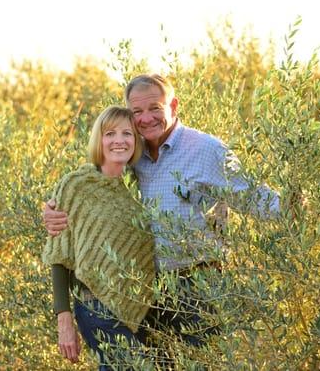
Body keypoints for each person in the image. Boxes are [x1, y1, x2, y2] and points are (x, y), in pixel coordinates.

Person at [44, 74, 282, 365]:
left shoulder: (207, 150)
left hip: (198, 289)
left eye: (155, 108)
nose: (146, 119)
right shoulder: (132, 158)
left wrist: (300, 207)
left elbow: (253, 197)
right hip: (146, 296)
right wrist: (54, 211)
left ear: (174, 105)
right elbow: (88, 204)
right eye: (137, 112)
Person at [41, 106, 156, 371]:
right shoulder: (76, 185)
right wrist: (64, 321)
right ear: (98, 139)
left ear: (136, 141)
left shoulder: (136, 192)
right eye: (110, 133)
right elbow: (59, 257)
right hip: (96, 309)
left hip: (140, 313)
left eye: (127, 133)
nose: (119, 140)